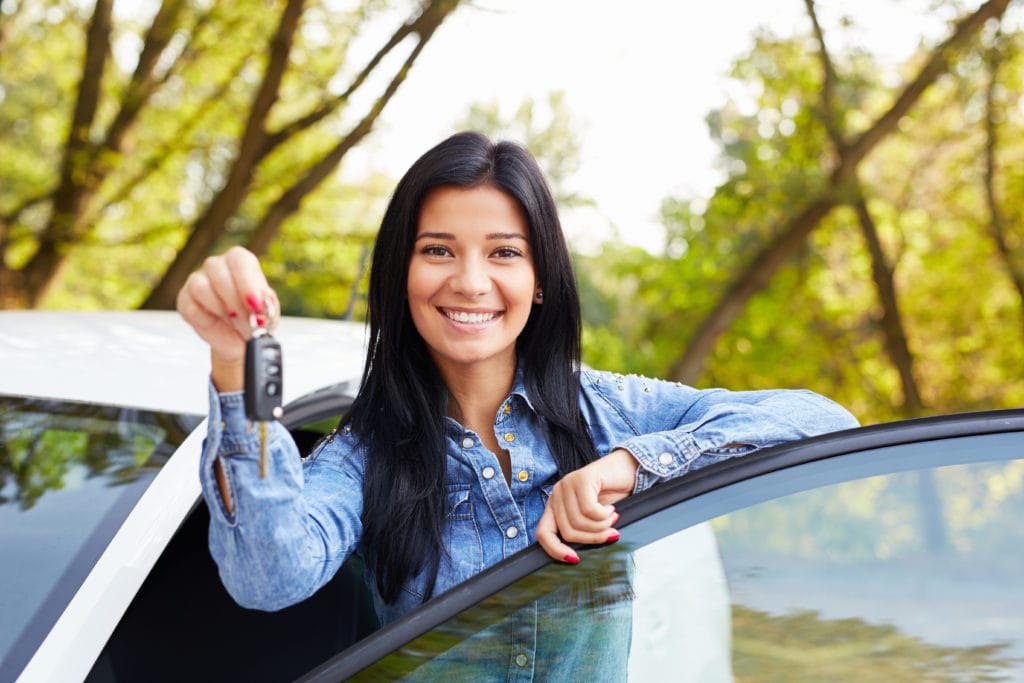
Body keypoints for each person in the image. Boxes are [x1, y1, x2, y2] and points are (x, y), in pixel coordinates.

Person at [176, 131, 858, 632]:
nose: (470, 281)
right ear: (402, 277)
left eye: (503, 252)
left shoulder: (610, 411)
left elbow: (825, 421)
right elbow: (269, 575)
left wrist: (624, 466)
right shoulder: (366, 452)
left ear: (538, 284)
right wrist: (240, 369)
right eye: (437, 249)